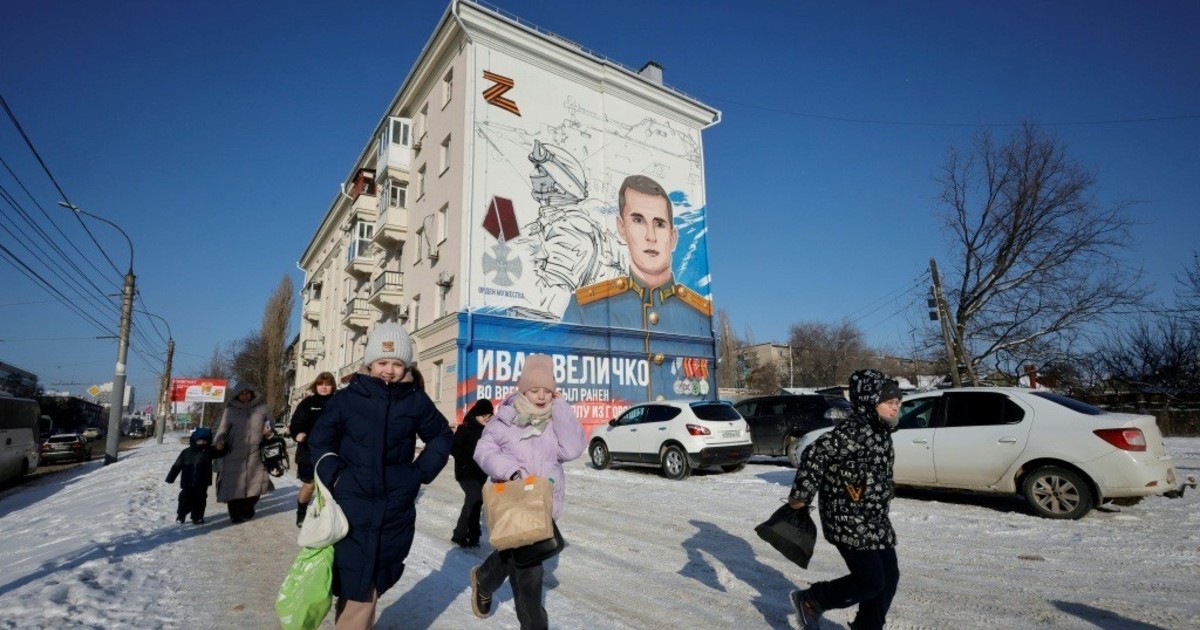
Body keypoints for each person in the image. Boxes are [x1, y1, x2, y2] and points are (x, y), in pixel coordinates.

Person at [309, 322, 453, 630]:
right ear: (370, 362)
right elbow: (320, 441)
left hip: (394, 506)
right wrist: (336, 476)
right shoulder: (346, 399)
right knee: (354, 580)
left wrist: (419, 473)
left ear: (407, 366)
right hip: (350, 503)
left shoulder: (415, 400)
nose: (389, 370)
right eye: (382, 362)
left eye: (397, 364)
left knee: (370, 579)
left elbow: (441, 436)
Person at [559, 174, 714, 400]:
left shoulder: (699, 316)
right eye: (638, 220)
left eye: (659, 224)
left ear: (673, 237)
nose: (650, 236)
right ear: (622, 228)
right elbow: (569, 394)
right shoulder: (586, 310)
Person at [469, 353, 586, 630]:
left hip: (542, 506)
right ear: (523, 390)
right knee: (529, 577)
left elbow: (572, 450)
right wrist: (510, 470)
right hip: (513, 501)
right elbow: (482, 451)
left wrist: (561, 408)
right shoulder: (505, 419)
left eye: (548, 390)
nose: (541, 396)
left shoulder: (555, 422)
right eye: (535, 390)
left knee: (515, 556)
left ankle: (484, 579)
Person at [787, 369, 903, 630]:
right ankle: (812, 600)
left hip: (874, 517)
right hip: (846, 517)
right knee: (870, 580)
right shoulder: (853, 431)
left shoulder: (881, 432)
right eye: (889, 402)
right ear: (870, 402)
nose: (895, 407)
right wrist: (801, 496)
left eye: (897, 401)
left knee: (889, 579)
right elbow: (815, 454)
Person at [214, 382, 274, 524]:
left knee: (256, 486)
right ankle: (235, 515)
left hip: (256, 454)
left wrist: (269, 433)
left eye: (247, 393)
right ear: (237, 395)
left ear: (252, 394)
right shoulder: (230, 411)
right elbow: (222, 429)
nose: (245, 396)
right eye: (242, 393)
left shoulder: (263, 409)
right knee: (234, 487)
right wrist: (218, 441)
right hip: (233, 453)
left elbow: (271, 426)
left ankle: (248, 509)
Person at [288, 371, 336, 528]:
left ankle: (324, 516)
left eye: (327, 385)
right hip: (308, 451)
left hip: (331, 452)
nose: (324, 387)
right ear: (316, 386)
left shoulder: (338, 402)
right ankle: (301, 512)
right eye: (320, 384)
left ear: (333, 386)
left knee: (328, 487)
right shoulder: (307, 403)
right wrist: (297, 434)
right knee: (309, 486)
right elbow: (295, 423)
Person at [450, 398, 494, 548]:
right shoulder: (465, 428)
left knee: (471, 502)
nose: (487, 419)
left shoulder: (488, 431)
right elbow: (454, 448)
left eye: (489, 416)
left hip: (480, 474)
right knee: (476, 499)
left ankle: (462, 534)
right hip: (466, 473)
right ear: (477, 414)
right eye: (484, 416)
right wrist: (466, 461)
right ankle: (470, 534)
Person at [164, 426, 224, 525]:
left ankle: (197, 517)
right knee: (184, 499)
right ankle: (181, 516)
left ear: (208, 441)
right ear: (194, 440)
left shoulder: (209, 451)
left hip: (202, 482)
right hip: (187, 482)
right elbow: (177, 465)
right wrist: (171, 477)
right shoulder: (186, 452)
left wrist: (224, 444)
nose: (202, 443)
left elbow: (221, 451)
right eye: (199, 441)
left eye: (204, 441)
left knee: (200, 500)